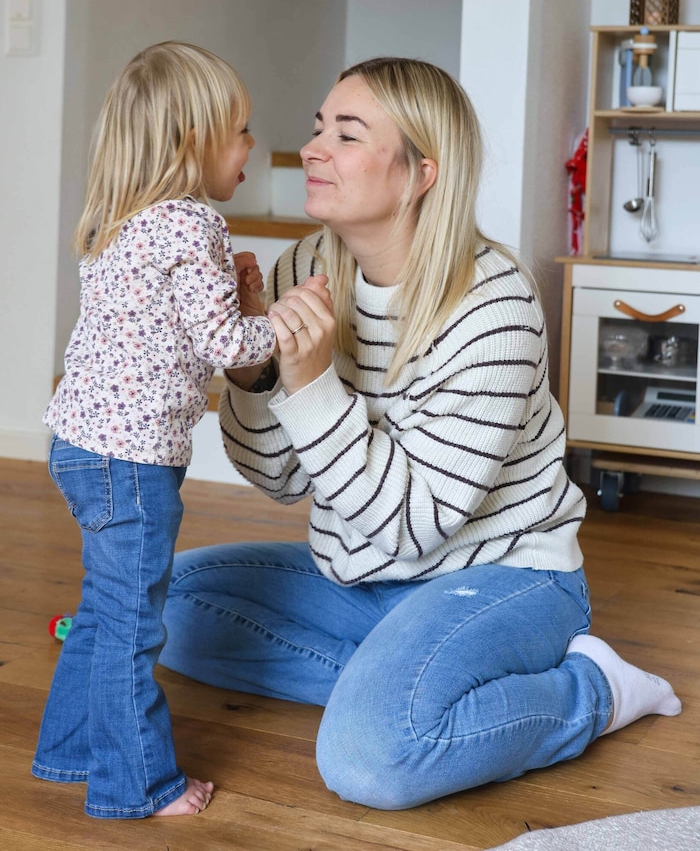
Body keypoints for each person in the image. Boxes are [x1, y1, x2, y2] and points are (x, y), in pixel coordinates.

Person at [160, 57, 681, 810]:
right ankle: (408, 683)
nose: (311, 150)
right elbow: (279, 479)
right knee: (171, 606)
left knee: (372, 760)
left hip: (505, 576)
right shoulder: (303, 266)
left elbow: (414, 526)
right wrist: (254, 380)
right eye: (316, 129)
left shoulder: (494, 306)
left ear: (419, 173)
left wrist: (309, 386)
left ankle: (592, 689)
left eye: (345, 134)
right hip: (360, 580)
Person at [33, 42, 277, 819]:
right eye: (238, 131)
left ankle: (68, 750)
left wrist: (233, 299)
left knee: (103, 611)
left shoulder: (119, 220)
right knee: (133, 623)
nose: (250, 146)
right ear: (191, 142)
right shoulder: (194, 223)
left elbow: (168, 324)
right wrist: (285, 321)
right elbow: (228, 347)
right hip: (132, 462)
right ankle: (136, 784)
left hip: (79, 446)